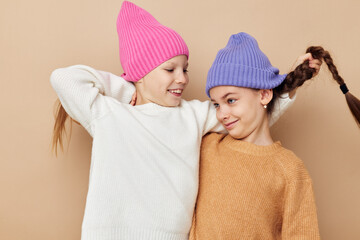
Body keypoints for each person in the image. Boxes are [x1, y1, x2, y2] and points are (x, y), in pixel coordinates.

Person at [50, 2, 320, 240]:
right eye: (170, 69)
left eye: (185, 69)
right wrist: (129, 89)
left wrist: (290, 82)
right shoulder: (110, 114)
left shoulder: (192, 115)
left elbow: (252, 114)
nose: (182, 78)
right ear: (140, 72)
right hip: (107, 234)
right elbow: (63, 79)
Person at [190, 32, 360, 239]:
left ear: (264, 94)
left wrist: (292, 78)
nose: (221, 114)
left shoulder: (290, 170)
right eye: (216, 104)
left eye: (231, 100)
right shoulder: (207, 147)